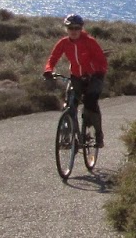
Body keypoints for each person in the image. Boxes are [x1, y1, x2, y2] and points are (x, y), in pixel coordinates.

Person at [43, 14, 108, 148]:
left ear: (81, 28)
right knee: (69, 105)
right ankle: (68, 136)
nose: (73, 31)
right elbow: (53, 58)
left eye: (76, 28)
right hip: (76, 76)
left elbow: (102, 60)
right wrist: (48, 70)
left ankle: (99, 136)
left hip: (94, 76)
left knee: (90, 103)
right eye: (70, 28)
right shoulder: (63, 43)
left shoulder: (89, 42)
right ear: (66, 29)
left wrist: (97, 73)